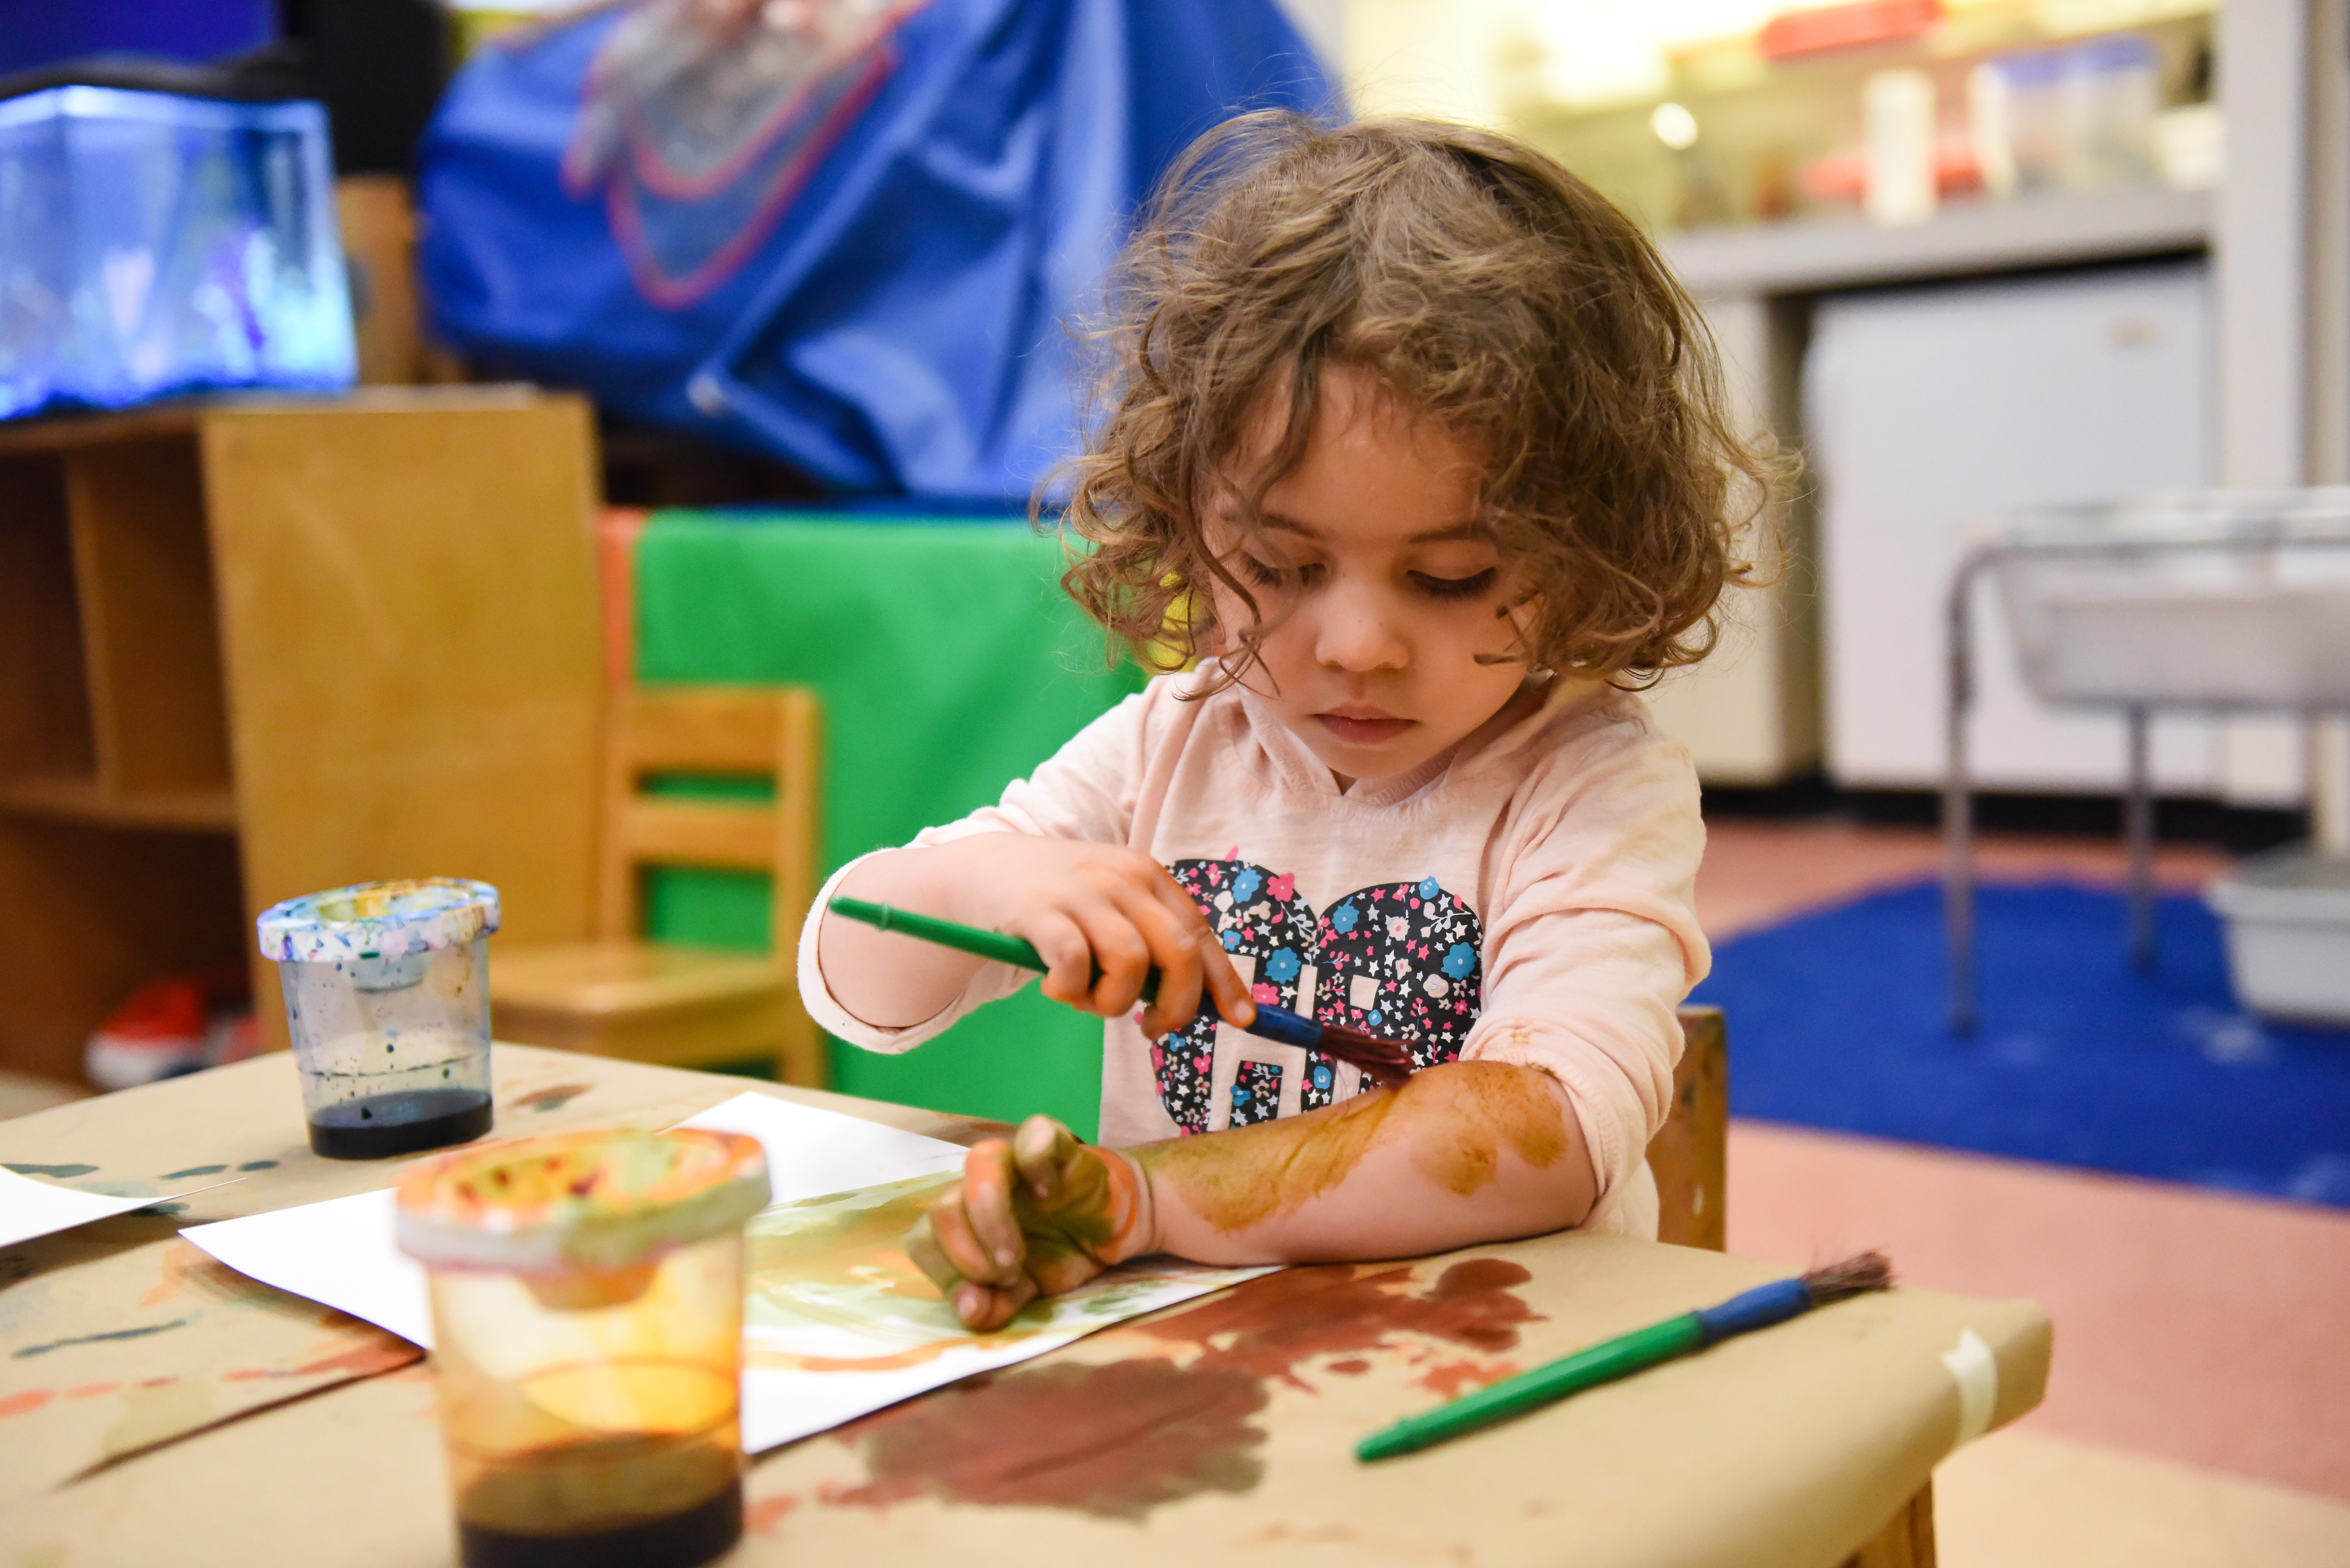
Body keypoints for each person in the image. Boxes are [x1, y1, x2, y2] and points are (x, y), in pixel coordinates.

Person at [801, 111, 1777, 1331]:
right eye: (1280, 562)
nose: (1356, 645)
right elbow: (855, 977)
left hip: (1499, 1363)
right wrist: (988, 888)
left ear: (1587, 556)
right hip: (1198, 1367)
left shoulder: (1586, 784)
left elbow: (1553, 1127)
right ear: (1188, 525)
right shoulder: (1175, 741)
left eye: (1451, 576)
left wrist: (1153, 1203)